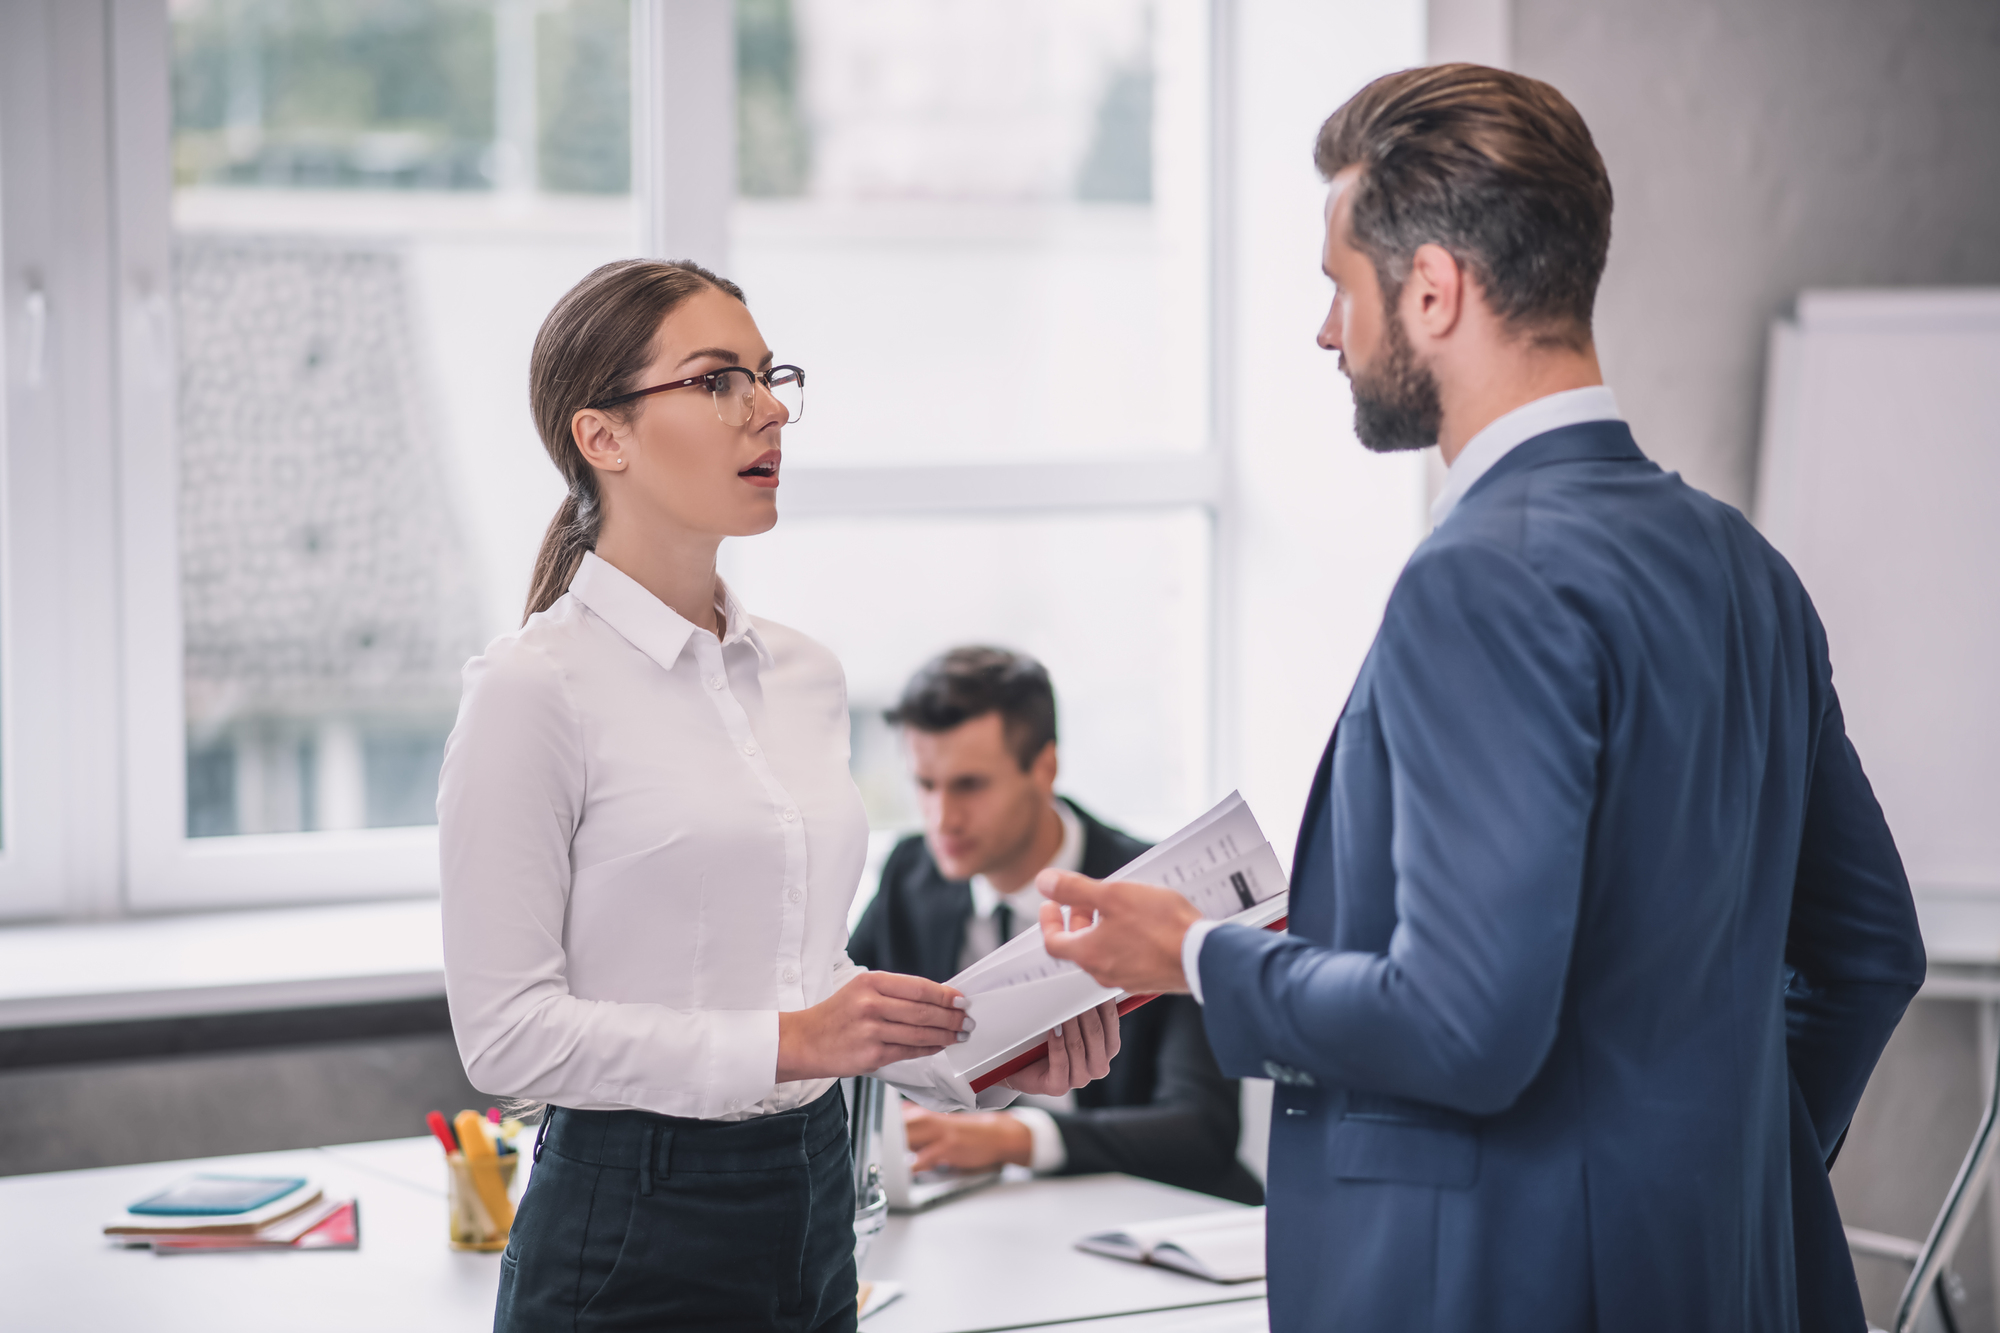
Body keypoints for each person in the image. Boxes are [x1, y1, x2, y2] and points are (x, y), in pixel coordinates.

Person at [1032, 64, 1926, 1333]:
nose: (1327, 333)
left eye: (1340, 288)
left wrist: (1184, 953)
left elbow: (1463, 1025)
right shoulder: (1740, 562)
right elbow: (1867, 953)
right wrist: (1703, 1176)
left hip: (1502, 1287)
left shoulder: (1480, 580)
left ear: (1434, 288)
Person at [437, 259, 1119, 1333]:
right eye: (716, 381)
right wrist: (792, 1042)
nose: (768, 410)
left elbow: (805, 982)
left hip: (811, 1199)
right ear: (600, 437)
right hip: (628, 1224)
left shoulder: (805, 674)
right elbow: (507, 1036)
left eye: (770, 375)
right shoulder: (533, 688)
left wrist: (989, 1057)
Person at [848, 647, 1262, 1204]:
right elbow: (851, 1044)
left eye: (969, 785)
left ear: (1044, 769)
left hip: (1145, 1210)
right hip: (979, 1216)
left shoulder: (1158, 895)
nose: (942, 818)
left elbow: (1200, 1127)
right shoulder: (910, 875)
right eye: (925, 785)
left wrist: (1013, 1138)